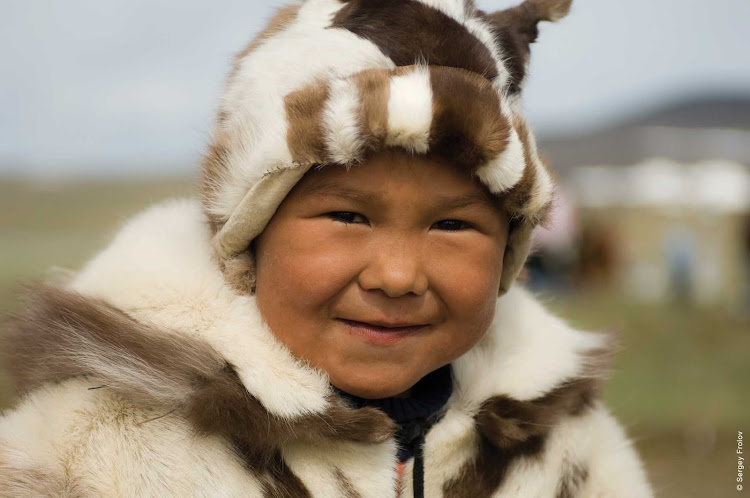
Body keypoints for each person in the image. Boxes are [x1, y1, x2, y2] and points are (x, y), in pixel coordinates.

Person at [0, 0, 653, 496]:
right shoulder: (87, 446)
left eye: (452, 226)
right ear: (250, 237)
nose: (398, 276)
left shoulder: (564, 451)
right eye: (347, 215)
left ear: (509, 255)